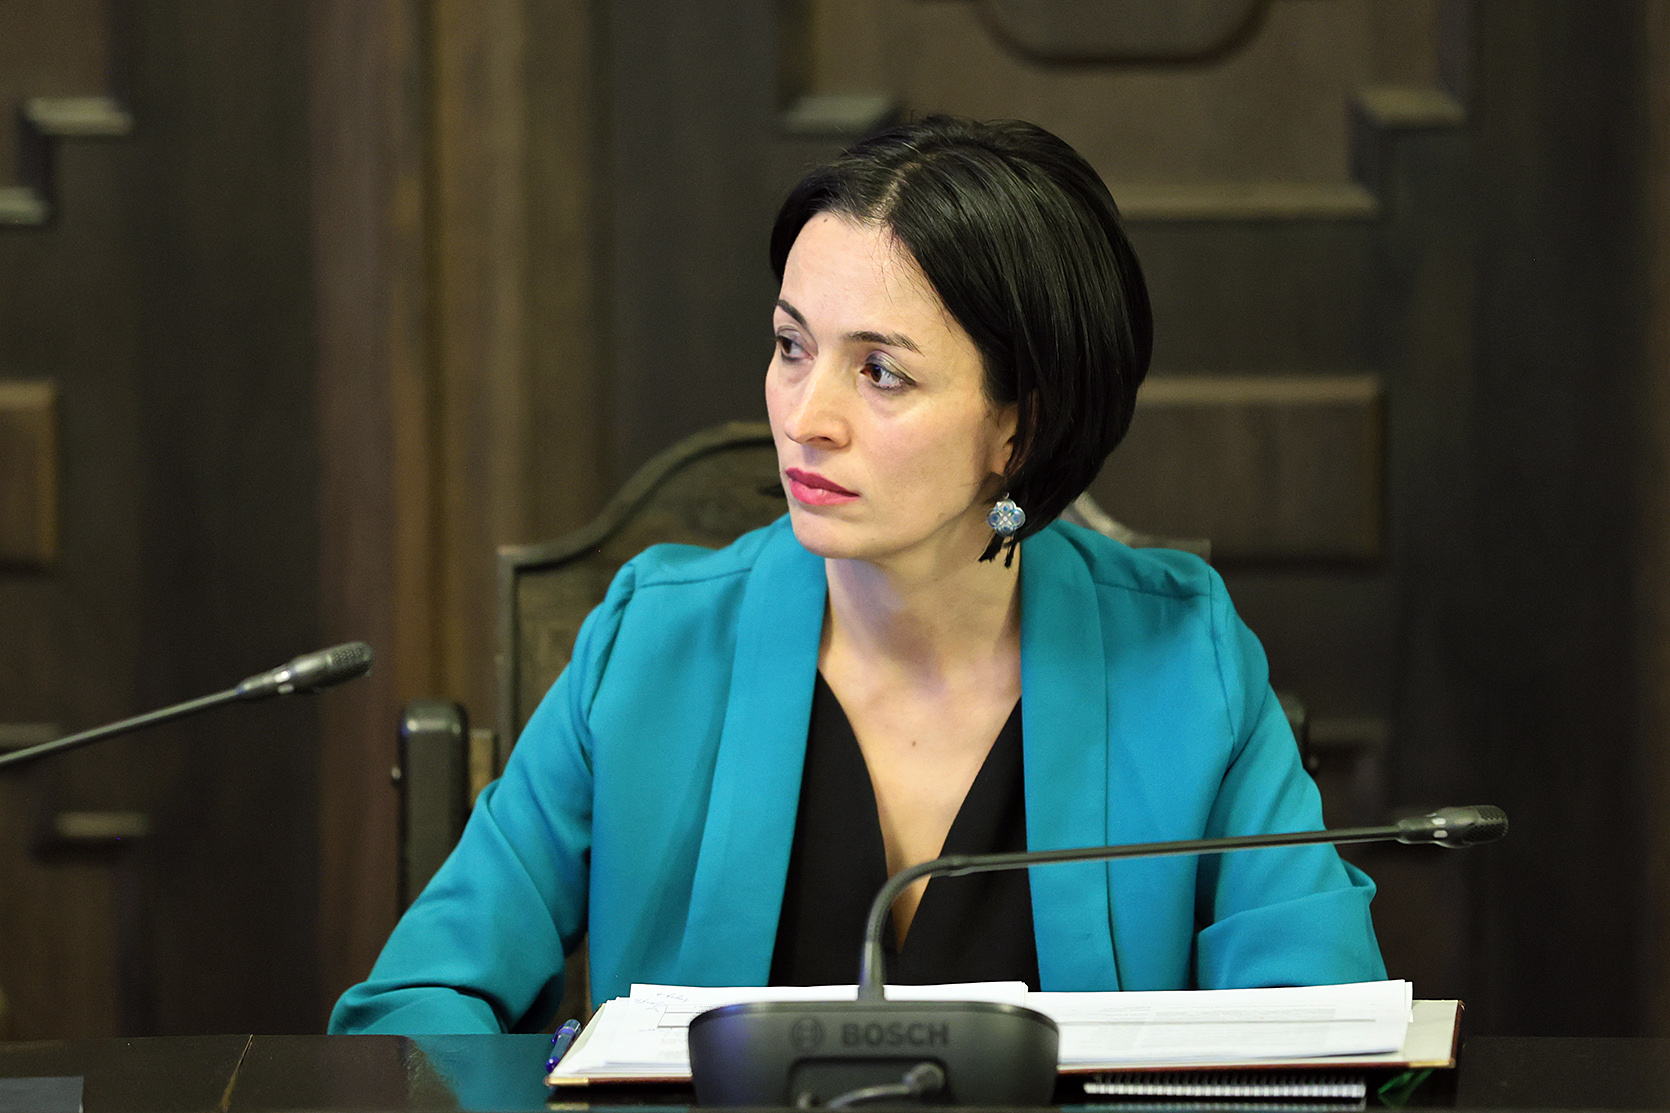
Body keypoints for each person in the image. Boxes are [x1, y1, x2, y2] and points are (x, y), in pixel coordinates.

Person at [330, 116, 1384, 1036]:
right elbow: (417, 1005)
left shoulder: (1184, 656)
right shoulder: (652, 643)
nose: (805, 417)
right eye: (792, 347)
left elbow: (1320, 1018)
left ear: (1019, 428)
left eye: (879, 371)